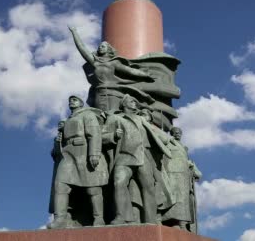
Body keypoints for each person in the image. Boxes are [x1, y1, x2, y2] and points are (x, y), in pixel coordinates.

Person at [103, 95, 171, 224]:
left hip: (143, 156)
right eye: (132, 101)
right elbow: (102, 136)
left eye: (135, 101)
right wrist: (113, 135)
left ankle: (150, 220)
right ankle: (120, 216)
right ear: (123, 104)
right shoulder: (115, 118)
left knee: (148, 188)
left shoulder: (141, 119)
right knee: (119, 183)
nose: (135, 103)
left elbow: (159, 136)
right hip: (124, 156)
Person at [48, 96, 108, 228]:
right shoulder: (66, 121)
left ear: (81, 104)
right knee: (61, 185)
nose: (71, 101)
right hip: (68, 154)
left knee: (93, 188)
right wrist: (58, 140)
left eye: (75, 100)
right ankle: (60, 219)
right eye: (70, 100)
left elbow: (94, 133)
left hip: (84, 151)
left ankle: (99, 219)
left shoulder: (87, 114)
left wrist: (94, 153)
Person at [69, 26, 154, 113]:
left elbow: (130, 71)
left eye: (103, 46)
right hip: (99, 94)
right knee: (101, 118)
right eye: (99, 46)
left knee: (113, 117)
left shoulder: (113, 63)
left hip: (113, 93)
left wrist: (145, 75)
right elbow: (82, 49)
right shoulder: (95, 62)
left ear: (108, 49)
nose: (100, 48)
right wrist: (74, 32)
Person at [163, 127, 202, 232]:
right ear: (172, 134)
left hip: (184, 176)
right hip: (172, 173)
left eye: (179, 133)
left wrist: (193, 170)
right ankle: (174, 222)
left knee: (184, 201)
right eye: (175, 133)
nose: (178, 134)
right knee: (174, 199)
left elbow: (187, 161)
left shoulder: (184, 148)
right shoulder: (168, 143)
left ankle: (183, 223)